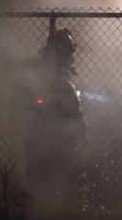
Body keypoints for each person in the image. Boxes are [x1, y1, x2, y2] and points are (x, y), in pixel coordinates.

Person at [19, 27, 88, 205]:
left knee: (52, 177)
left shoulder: (58, 71)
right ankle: (46, 210)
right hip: (45, 135)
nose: (70, 56)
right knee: (47, 176)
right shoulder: (42, 70)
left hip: (53, 136)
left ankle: (49, 210)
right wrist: (81, 133)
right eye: (68, 51)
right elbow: (74, 109)